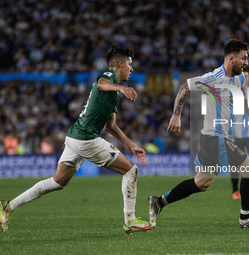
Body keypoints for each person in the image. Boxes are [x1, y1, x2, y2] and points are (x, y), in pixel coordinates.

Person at [0, 46, 152, 234]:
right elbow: (101, 83)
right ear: (120, 64)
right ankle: (129, 221)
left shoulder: (114, 95)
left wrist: (133, 145)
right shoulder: (110, 76)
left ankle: (8, 206)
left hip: (75, 136)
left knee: (58, 182)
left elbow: (110, 126)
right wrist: (120, 87)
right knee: (131, 170)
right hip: (86, 139)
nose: (132, 68)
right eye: (130, 64)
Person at [149, 39, 249, 229]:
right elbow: (185, 88)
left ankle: (159, 202)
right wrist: (176, 115)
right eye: (244, 58)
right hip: (216, 138)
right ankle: (246, 217)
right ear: (231, 58)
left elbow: (244, 104)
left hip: (215, 139)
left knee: (202, 183)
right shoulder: (213, 77)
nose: (246, 63)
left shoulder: (239, 78)